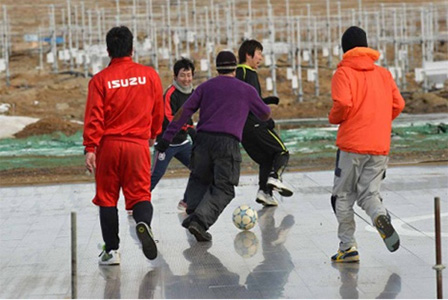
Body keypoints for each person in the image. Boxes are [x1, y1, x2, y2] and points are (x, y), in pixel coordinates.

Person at [156, 51, 271, 242]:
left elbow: (183, 112)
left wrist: (167, 138)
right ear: (235, 67)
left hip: (202, 141)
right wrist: (254, 104)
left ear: (216, 67)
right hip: (227, 143)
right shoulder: (246, 89)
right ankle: (199, 222)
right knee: (225, 187)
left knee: (200, 177)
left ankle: (192, 212)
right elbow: (265, 114)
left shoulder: (205, 87)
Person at [83, 26, 164, 265]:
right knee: (140, 194)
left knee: (107, 198)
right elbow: (158, 111)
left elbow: (94, 116)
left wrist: (90, 147)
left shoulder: (100, 80)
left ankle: (112, 251)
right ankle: (143, 225)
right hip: (137, 145)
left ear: (108, 51)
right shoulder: (149, 75)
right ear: (132, 48)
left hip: (108, 146)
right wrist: (152, 135)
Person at [329, 26, 405, 263]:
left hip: (352, 145)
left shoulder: (343, 74)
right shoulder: (383, 74)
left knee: (342, 196)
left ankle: (348, 247)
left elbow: (342, 103)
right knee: (370, 194)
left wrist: (334, 118)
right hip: (380, 144)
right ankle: (380, 215)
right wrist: (378, 121)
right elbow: (398, 104)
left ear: (345, 49)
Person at [236, 39, 293, 207]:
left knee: (267, 159)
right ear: (248, 55)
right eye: (259, 53)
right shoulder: (247, 72)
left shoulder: (240, 74)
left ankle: (264, 192)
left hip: (243, 130)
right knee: (282, 152)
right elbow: (250, 102)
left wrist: (265, 101)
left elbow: (247, 99)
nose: (260, 58)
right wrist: (266, 118)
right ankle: (275, 178)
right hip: (253, 125)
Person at [152, 58, 196, 212]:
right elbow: (169, 117)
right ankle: (137, 202)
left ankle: (186, 201)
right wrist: (187, 127)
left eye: (189, 75)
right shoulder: (170, 93)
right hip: (167, 143)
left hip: (183, 143)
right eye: (182, 75)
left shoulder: (193, 92)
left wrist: (192, 128)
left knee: (198, 168)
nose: (186, 79)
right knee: (156, 174)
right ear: (175, 76)